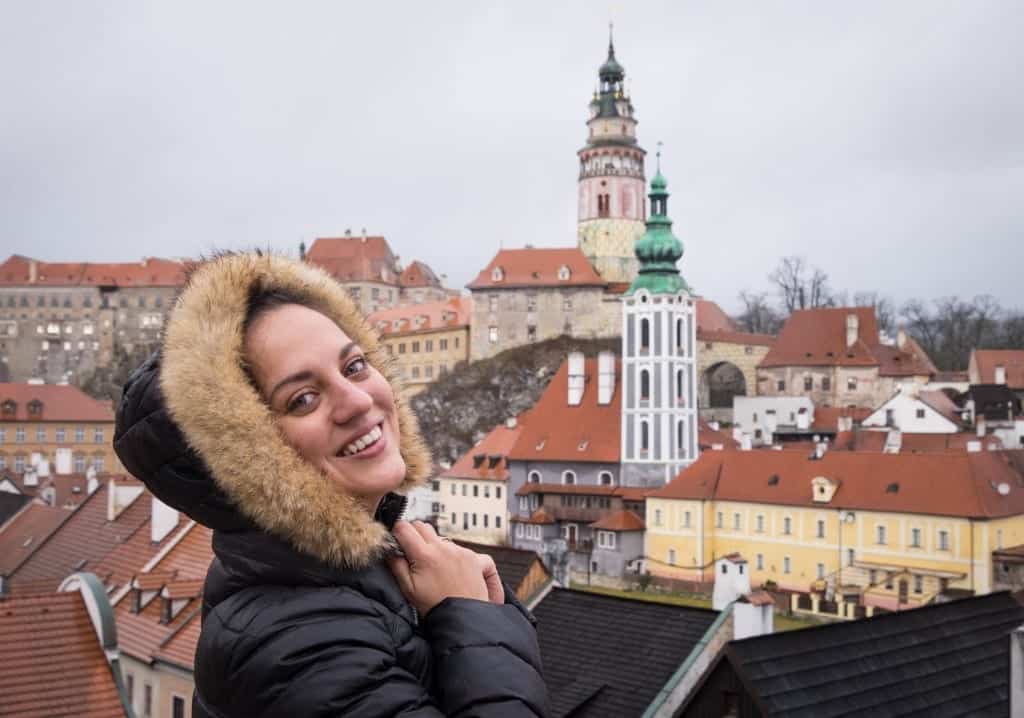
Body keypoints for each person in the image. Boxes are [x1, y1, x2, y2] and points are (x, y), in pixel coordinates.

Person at [113, 252, 549, 717]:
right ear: (251, 457)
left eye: (355, 365)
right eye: (303, 399)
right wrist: (469, 614)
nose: (358, 401)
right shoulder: (292, 649)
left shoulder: (353, 577)